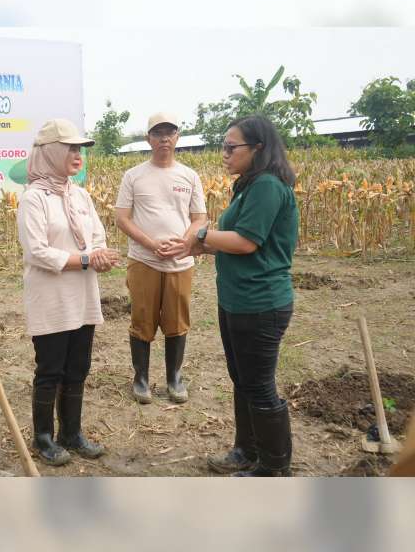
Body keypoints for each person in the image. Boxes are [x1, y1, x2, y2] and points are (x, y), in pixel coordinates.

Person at [171, 114, 299, 477]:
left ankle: (274, 467)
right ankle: (246, 450)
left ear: (258, 148)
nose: (224, 153)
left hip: (261, 304)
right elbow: (233, 241)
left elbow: (246, 241)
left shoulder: (267, 187)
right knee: (242, 380)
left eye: (231, 147)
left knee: (258, 384)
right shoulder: (249, 185)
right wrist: (195, 247)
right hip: (237, 300)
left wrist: (199, 237)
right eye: (223, 146)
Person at [16, 118, 120, 466]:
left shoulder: (80, 195)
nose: (78, 155)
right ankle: (44, 438)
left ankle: (71, 433)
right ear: (51, 152)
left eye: (80, 149)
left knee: (78, 367)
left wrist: (101, 255)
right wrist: (89, 258)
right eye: (71, 148)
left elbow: (98, 237)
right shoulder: (34, 198)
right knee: (50, 369)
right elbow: (37, 251)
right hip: (51, 296)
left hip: (83, 293)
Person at [114, 112, 207, 405]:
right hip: (144, 259)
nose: (164, 138)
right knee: (142, 318)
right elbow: (122, 219)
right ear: (148, 139)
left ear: (177, 137)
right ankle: (141, 378)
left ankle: (174, 378)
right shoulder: (134, 176)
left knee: (178, 320)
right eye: (158, 133)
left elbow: (199, 218)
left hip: (181, 261)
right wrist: (151, 243)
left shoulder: (189, 176)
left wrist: (185, 242)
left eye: (169, 132)